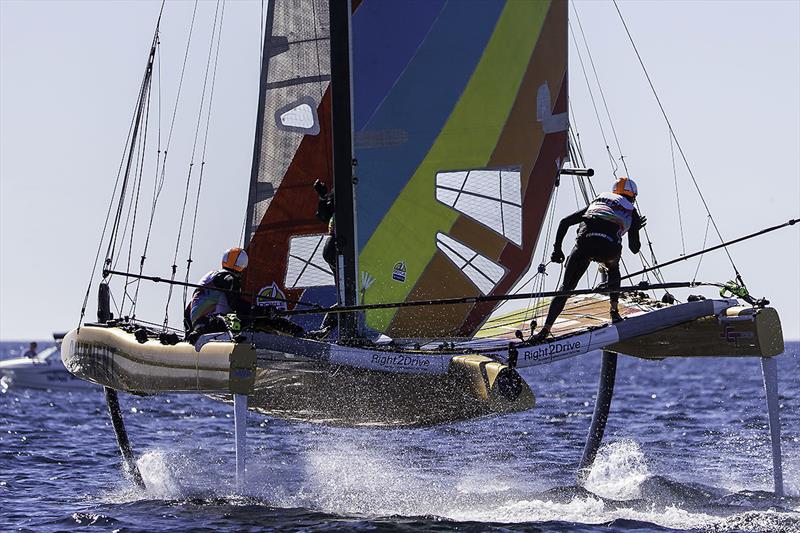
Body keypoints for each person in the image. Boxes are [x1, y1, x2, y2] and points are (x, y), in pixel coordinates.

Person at [531, 177, 646, 342]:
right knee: (613, 268)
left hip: (584, 245)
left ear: (614, 192)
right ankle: (614, 312)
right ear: (633, 196)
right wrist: (635, 228)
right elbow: (634, 249)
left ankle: (545, 329)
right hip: (609, 249)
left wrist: (557, 250)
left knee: (566, 288)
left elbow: (564, 222)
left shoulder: (598, 201)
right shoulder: (631, 211)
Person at [185, 247, 249, 343]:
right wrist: (258, 311)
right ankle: (238, 338)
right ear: (243, 266)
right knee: (246, 318)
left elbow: (190, 307)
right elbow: (237, 304)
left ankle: (194, 334)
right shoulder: (230, 279)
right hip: (214, 324)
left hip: (198, 325)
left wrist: (190, 332)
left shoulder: (210, 276)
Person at [308, 179, 338, 339]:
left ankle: (328, 329)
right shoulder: (340, 186)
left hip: (359, 248)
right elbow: (324, 215)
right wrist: (322, 195)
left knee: (351, 296)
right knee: (347, 296)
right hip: (337, 247)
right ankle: (326, 329)